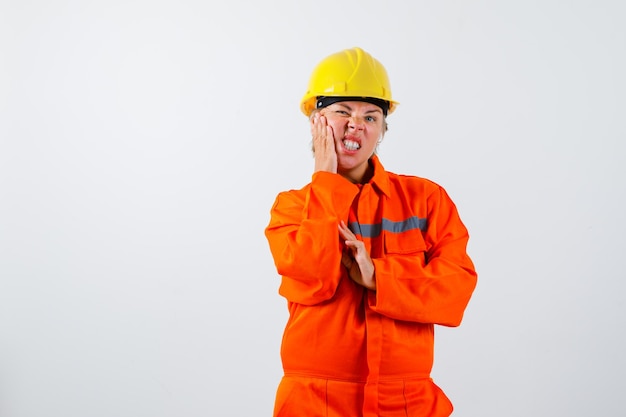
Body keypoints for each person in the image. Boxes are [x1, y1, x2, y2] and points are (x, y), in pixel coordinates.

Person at [265, 46, 477, 417]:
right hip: (316, 403)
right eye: (342, 111)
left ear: (382, 129)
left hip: (406, 402)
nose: (355, 125)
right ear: (316, 121)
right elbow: (312, 277)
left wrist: (379, 277)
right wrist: (326, 181)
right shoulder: (293, 207)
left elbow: (455, 291)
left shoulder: (426, 200)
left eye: (371, 116)